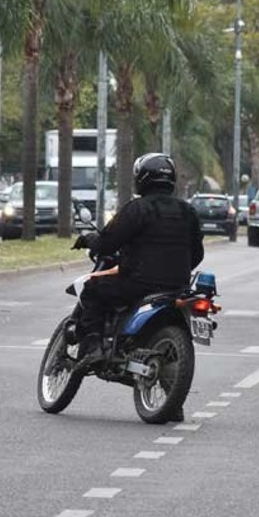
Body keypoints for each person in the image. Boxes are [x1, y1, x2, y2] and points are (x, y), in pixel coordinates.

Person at [70, 153, 205, 372]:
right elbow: (197, 254)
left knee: (92, 289)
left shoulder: (137, 208)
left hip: (138, 284)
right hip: (178, 287)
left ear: (141, 178)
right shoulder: (187, 211)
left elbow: (108, 242)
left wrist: (91, 241)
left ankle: (93, 349)